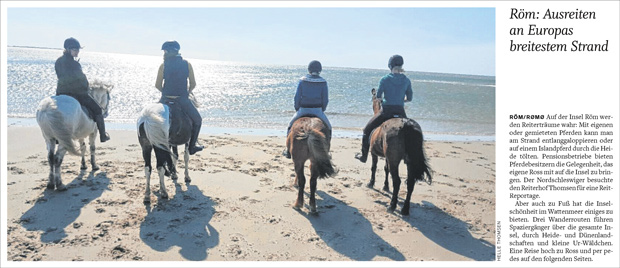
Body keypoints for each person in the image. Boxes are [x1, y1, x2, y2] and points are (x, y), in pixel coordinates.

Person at [355, 55, 412, 163]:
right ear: (401, 65)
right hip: (400, 111)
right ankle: (408, 156)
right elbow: (409, 98)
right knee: (409, 133)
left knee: (366, 130)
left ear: (390, 66)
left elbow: (379, 97)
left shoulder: (385, 79)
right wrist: (401, 100)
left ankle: (363, 156)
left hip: (386, 111)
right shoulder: (406, 80)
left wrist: (383, 99)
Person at [55, 37, 110, 142]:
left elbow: (60, 77)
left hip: (60, 93)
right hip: (77, 94)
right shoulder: (75, 64)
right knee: (98, 110)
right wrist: (85, 88)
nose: (77, 52)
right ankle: (103, 135)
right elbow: (82, 80)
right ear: (68, 49)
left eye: (78, 50)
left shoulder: (58, 61)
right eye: (75, 50)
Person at [155, 40, 204, 155]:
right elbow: (193, 84)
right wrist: (186, 92)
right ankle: (192, 147)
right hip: (182, 99)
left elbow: (157, 85)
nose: (164, 54)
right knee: (197, 120)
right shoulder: (187, 64)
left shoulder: (163, 65)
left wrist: (165, 92)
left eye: (165, 51)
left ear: (171, 51)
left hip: (165, 99)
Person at [282, 60, 331, 159]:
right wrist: (322, 109)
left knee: (290, 126)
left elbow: (297, 97)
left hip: (303, 109)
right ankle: (326, 150)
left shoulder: (303, 80)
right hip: (317, 110)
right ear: (320, 70)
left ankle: (288, 150)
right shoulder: (323, 82)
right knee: (329, 128)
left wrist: (297, 108)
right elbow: (325, 99)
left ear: (309, 69)